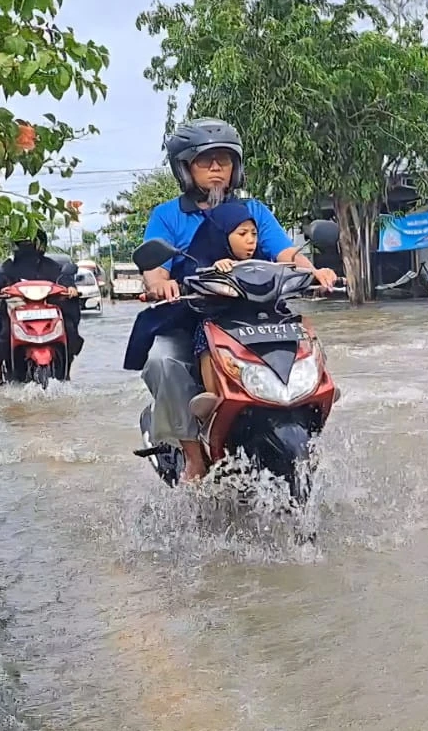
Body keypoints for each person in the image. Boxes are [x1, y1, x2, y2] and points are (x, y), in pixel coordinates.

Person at [129, 117, 338, 486]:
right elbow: (156, 271)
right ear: (185, 168)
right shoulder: (167, 215)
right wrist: (161, 283)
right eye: (205, 161)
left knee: (310, 348)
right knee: (162, 361)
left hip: (257, 313)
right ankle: (193, 455)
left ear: (235, 167)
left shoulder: (254, 211)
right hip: (192, 315)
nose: (215, 168)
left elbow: (287, 252)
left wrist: (315, 271)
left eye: (223, 160)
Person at [185, 201, 274, 421]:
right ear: (222, 234)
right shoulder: (205, 260)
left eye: (254, 233)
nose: (250, 240)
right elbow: (192, 276)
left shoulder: (263, 262)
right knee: (205, 335)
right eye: (242, 233)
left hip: (257, 319)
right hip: (220, 320)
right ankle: (213, 395)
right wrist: (215, 269)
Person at [0, 232, 83, 386]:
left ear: (39, 244)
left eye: (30, 242)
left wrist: (70, 287)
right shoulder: (9, 266)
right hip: (16, 312)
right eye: (22, 243)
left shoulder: (50, 266)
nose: (26, 247)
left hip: (47, 312)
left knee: (69, 328)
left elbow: (63, 278)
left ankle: (66, 371)